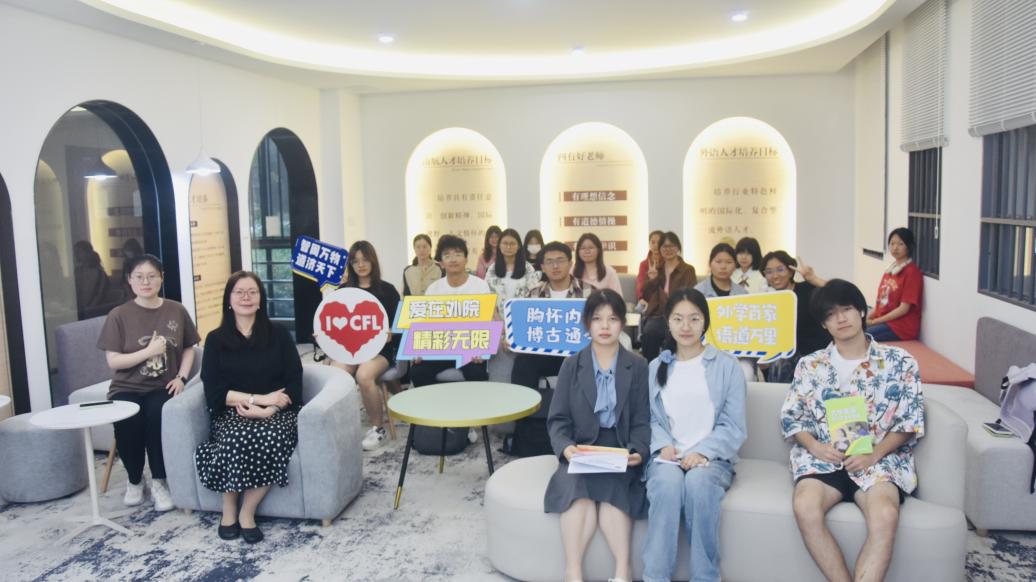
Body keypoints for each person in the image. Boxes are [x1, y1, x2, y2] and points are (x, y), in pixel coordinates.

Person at [781, 279, 925, 582]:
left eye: (846, 309)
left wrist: (875, 454)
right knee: (805, 506)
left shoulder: (900, 362)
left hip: (879, 459)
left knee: (885, 514)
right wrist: (815, 447)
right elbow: (793, 418)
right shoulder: (810, 365)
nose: (840, 319)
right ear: (824, 324)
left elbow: (909, 421)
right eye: (830, 314)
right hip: (824, 458)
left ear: (861, 311)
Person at [642, 288, 747, 582]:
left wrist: (702, 451)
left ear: (705, 322)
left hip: (711, 459)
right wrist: (662, 445)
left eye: (694, 318)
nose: (686, 326)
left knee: (699, 485)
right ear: (668, 322)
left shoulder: (727, 366)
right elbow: (649, 418)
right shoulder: (656, 366)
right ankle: (655, 577)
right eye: (678, 319)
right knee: (667, 486)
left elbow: (734, 424)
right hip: (667, 457)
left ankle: (705, 577)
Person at [545, 288, 650, 582]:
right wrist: (566, 448)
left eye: (613, 319)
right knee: (576, 491)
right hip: (581, 449)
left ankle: (623, 571)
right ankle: (573, 571)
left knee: (616, 491)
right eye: (597, 319)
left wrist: (639, 449)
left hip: (620, 447)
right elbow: (558, 419)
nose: (605, 326)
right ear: (587, 324)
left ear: (623, 324)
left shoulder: (638, 366)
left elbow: (643, 420)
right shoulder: (571, 364)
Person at [195, 271, 303, 543]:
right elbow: (215, 392)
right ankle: (228, 507)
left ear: (260, 299)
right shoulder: (215, 339)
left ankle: (247, 511)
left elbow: (294, 382)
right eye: (239, 292)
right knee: (236, 437)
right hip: (233, 412)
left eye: (252, 292)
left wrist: (270, 410)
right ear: (229, 299)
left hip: (277, 413)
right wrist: (259, 399)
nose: (246, 297)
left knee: (269, 436)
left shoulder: (279, 334)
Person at [97, 254, 200, 512]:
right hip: (127, 387)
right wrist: (149, 352)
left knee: (158, 419)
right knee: (127, 424)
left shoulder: (176, 310)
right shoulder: (119, 315)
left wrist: (181, 377)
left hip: (163, 386)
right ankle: (134, 480)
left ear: (161, 278)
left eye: (152, 276)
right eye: (139, 277)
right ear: (129, 280)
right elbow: (114, 361)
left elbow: (189, 347)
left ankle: (159, 481)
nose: (146, 282)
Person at [508, 241, 591, 456]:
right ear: (542, 267)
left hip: (577, 353)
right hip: (541, 354)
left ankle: (583, 431)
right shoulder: (533, 292)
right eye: (550, 262)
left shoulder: (589, 291)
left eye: (560, 260)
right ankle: (523, 429)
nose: (555, 266)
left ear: (570, 263)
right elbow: (523, 327)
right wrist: (512, 338)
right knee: (523, 362)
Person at [329, 241, 400, 451]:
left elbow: (401, 325)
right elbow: (330, 322)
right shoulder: (343, 291)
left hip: (380, 350)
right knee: (337, 373)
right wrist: (323, 336)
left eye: (365, 260)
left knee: (364, 375)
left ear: (373, 261)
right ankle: (341, 428)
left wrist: (391, 334)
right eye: (355, 261)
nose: (360, 265)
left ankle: (378, 429)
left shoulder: (387, 290)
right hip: (350, 348)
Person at [410, 234, 491, 388]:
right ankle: (437, 403)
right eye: (447, 256)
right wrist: (419, 350)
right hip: (441, 348)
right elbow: (425, 325)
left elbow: (485, 323)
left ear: (466, 259)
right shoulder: (433, 289)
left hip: (469, 348)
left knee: (476, 373)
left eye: (458, 255)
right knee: (418, 372)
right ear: (441, 263)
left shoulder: (480, 286)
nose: (453, 260)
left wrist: (480, 350)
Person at [760, 251, 831, 383]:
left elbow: (841, 293)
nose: (775, 276)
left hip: (817, 355)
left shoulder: (808, 289)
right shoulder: (767, 302)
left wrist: (814, 279)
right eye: (769, 272)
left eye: (780, 269)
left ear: (791, 271)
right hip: (785, 360)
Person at [639, 232, 697, 361]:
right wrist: (652, 279)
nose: (668, 249)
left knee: (672, 337)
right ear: (660, 249)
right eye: (664, 247)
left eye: (672, 246)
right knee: (649, 334)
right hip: (658, 314)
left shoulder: (687, 270)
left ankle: (669, 368)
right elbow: (647, 296)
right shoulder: (656, 269)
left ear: (678, 248)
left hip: (680, 315)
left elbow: (690, 295)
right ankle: (650, 368)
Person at [866, 227, 923, 341]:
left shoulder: (912, 272)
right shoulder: (890, 271)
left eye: (900, 244)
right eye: (892, 243)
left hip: (901, 328)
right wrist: (865, 319)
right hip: (884, 321)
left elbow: (903, 309)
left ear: (909, 246)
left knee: (861, 337)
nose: (895, 247)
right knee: (853, 330)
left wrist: (875, 322)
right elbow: (880, 304)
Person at [485, 228, 542, 317]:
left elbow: (534, 295)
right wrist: (498, 320)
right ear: (499, 245)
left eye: (512, 244)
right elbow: (488, 297)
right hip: (498, 319)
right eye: (505, 243)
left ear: (518, 246)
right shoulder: (492, 269)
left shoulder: (528, 268)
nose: (508, 247)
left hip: (523, 317)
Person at [636, 230, 665, 303]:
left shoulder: (668, 262)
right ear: (649, 244)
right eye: (653, 242)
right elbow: (640, 283)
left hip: (663, 299)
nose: (656, 245)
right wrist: (641, 298)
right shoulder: (644, 264)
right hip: (647, 299)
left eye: (659, 242)